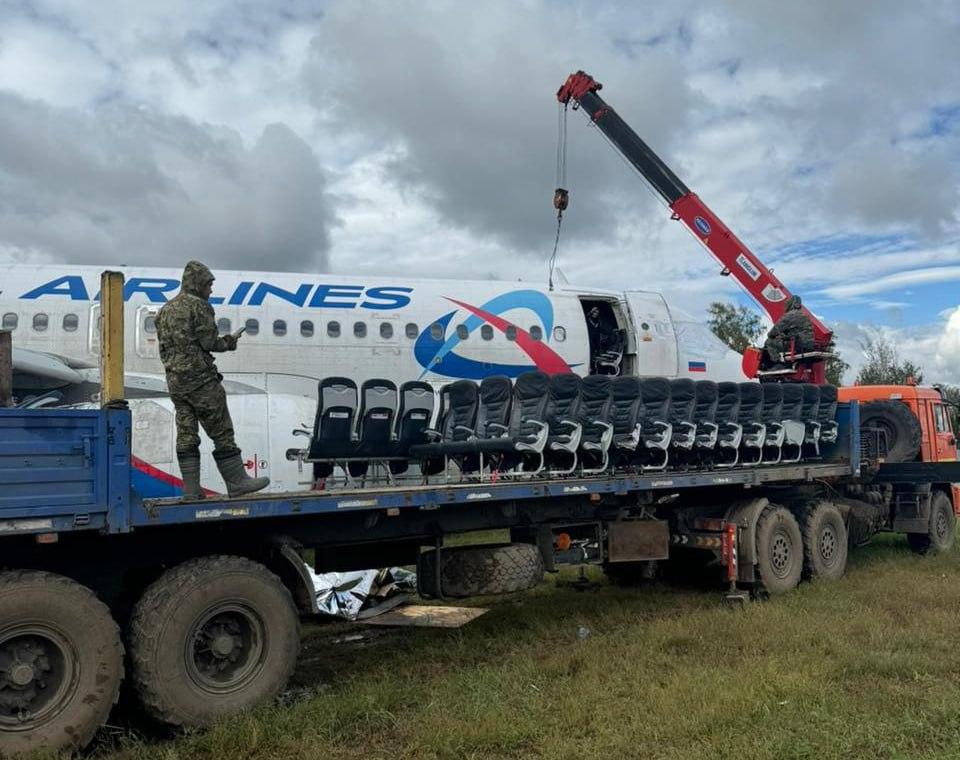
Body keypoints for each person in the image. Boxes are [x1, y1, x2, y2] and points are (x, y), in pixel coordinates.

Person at [156, 261, 270, 499]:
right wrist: (229, 341)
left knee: (187, 433)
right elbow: (210, 343)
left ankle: (191, 489)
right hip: (201, 381)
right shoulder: (199, 307)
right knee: (222, 432)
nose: (210, 290)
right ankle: (237, 483)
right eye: (209, 284)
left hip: (176, 382)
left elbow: (166, 347)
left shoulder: (165, 310)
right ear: (198, 284)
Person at [763, 295, 815, 367]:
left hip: (797, 344)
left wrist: (771, 335)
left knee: (769, 342)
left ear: (791, 304)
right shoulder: (804, 315)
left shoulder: (790, 315)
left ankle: (777, 363)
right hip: (808, 345)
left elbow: (774, 331)